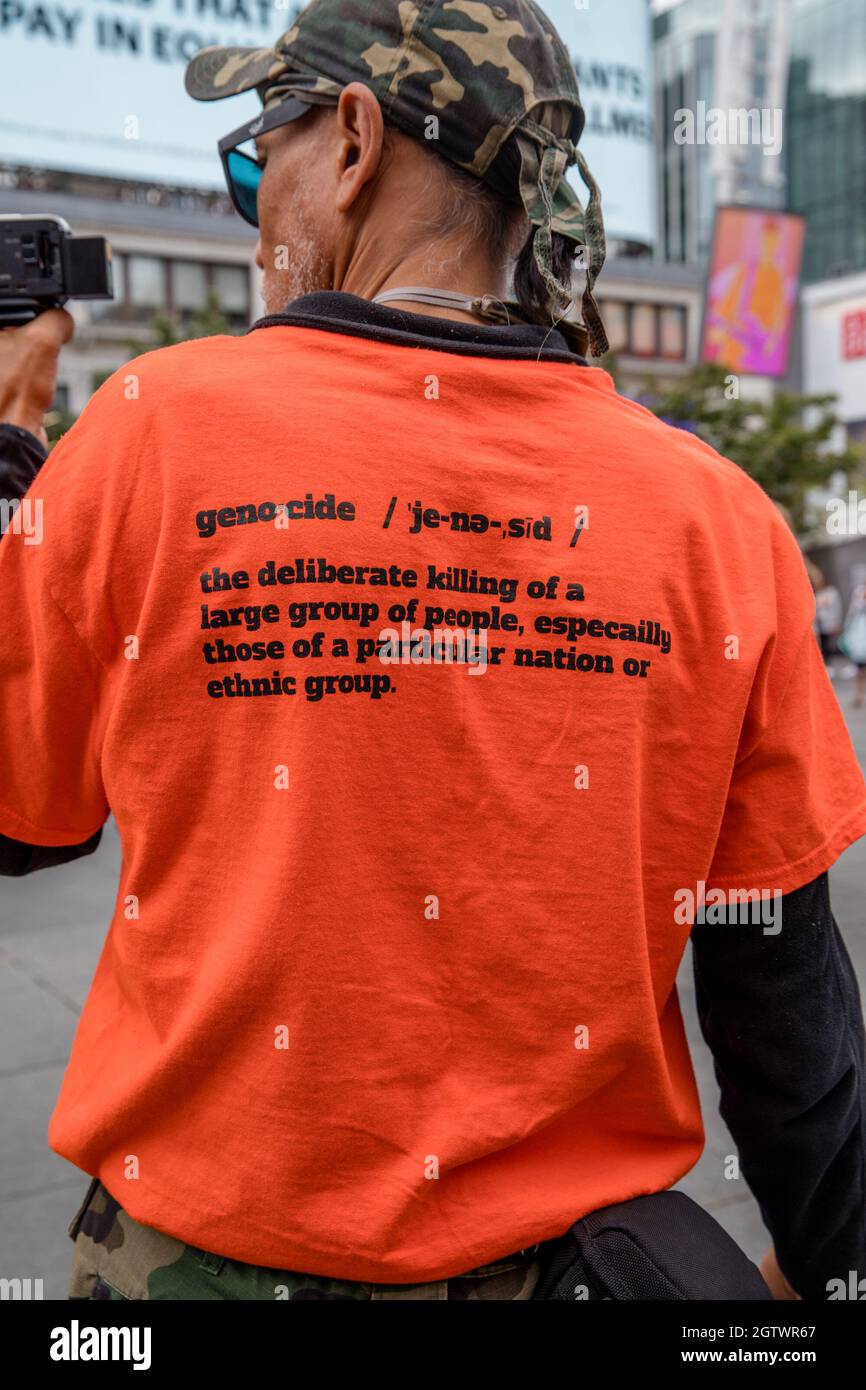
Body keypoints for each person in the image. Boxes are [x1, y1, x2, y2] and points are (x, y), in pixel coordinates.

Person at [0, 0, 864, 1303]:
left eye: (253, 160)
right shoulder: (716, 520)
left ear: (352, 140)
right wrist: (828, 1260)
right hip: (574, 1272)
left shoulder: (147, 435)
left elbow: (27, 811)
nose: (249, 213)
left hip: (193, 1268)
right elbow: (779, 988)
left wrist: (16, 446)